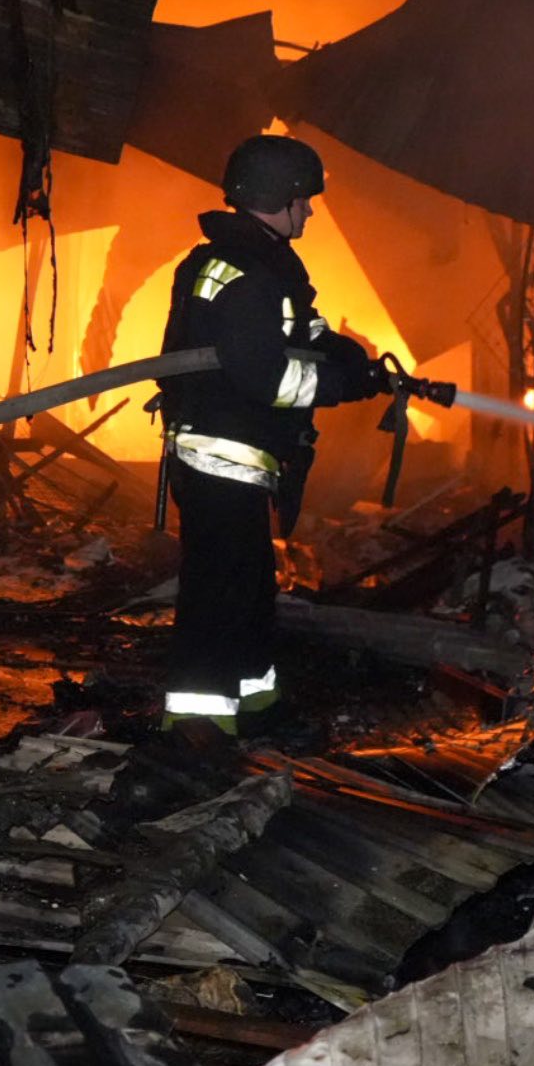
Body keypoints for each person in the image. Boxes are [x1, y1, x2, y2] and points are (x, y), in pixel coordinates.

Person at [154, 134, 390, 735]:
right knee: (218, 590)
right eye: (303, 199)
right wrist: (339, 385)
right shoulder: (249, 274)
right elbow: (266, 377)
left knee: (251, 586)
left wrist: (348, 354)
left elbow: (300, 330)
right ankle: (198, 725)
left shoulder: (260, 262)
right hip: (220, 452)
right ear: (276, 197)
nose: (309, 210)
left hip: (233, 452)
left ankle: (257, 702)